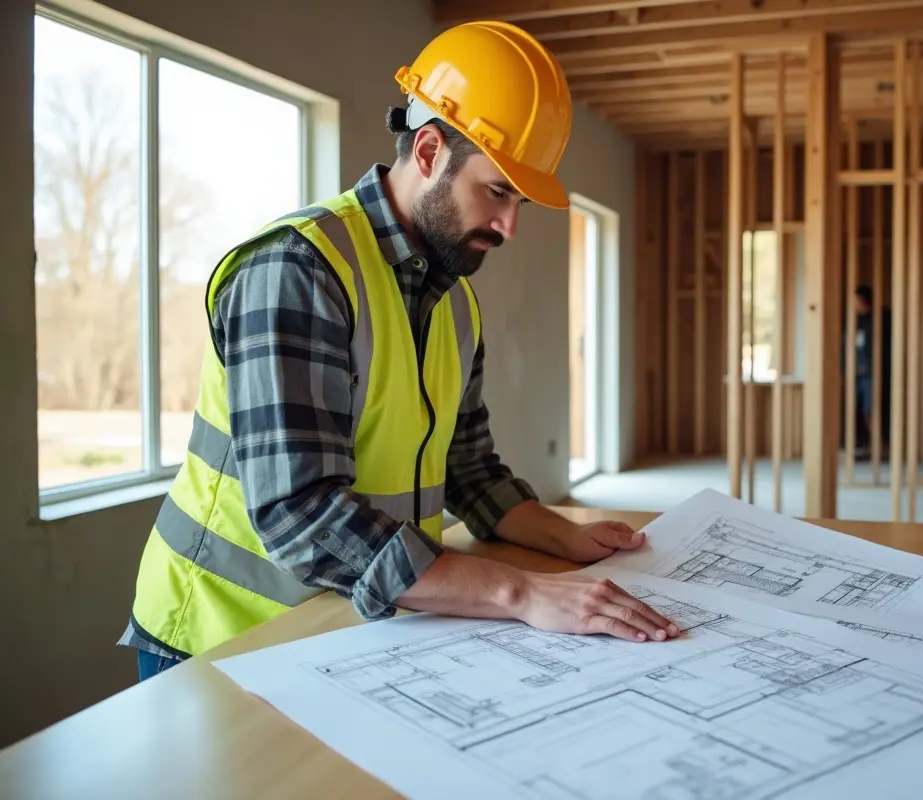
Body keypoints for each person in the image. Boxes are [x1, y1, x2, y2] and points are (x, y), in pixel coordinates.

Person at [118, 20, 679, 681]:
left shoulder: (454, 300)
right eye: (497, 191)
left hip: (348, 631)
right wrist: (520, 592)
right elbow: (301, 513)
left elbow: (470, 471)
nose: (509, 226)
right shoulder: (298, 272)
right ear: (429, 150)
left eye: (520, 200)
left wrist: (565, 536)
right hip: (219, 639)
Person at [850, 285, 892, 457]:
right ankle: (867, 447)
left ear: (862, 301)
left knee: (872, 410)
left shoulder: (881, 318)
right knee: (859, 411)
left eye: (855, 301)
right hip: (860, 373)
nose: (853, 305)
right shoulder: (856, 321)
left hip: (874, 374)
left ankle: (882, 447)